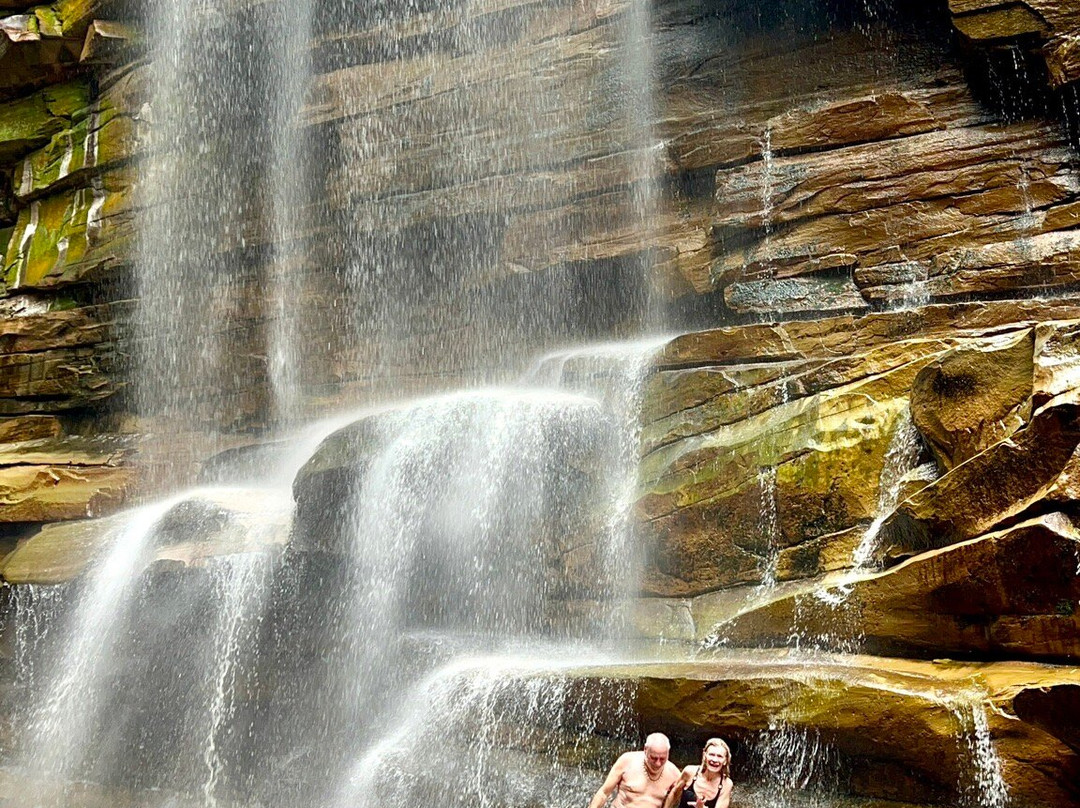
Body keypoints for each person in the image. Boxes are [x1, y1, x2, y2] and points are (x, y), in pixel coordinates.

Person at [587, 732, 681, 808]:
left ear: (668, 753)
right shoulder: (627, 761)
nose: (658, 763)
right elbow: (604, 793)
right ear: (645, 750)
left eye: (662, 759)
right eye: (653, 758)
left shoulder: (675, 774)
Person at [661, 738, 733, 808]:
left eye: (720, 756)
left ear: (725, 761)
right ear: (705, 755)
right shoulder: (690, 772)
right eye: (711, 754)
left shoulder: (726, 784)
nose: (714, 759)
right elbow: (674, 793)